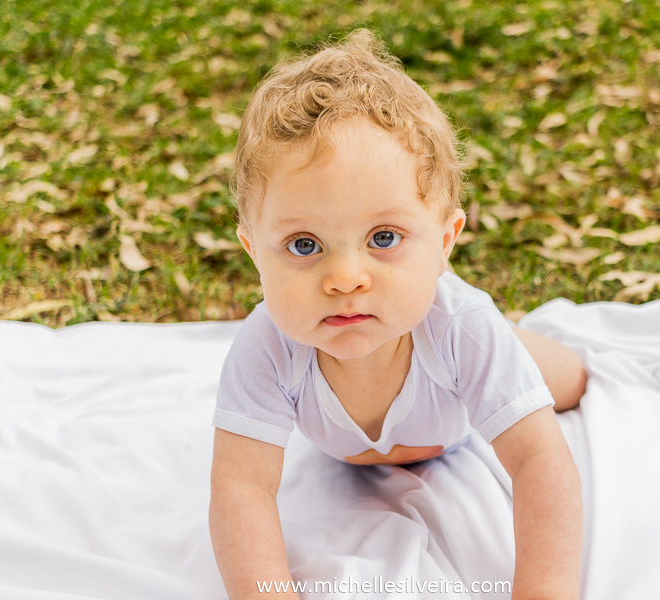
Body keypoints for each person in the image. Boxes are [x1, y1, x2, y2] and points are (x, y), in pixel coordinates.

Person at [209, 29, 587, 600]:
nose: (345, 278)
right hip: (362, 446)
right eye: (304, 245)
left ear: (445, 241)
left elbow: (539, 461)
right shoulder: (266, 347)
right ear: (253, 251)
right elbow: (241, 489)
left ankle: (526, 347)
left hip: (453, 391)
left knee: (568, 379)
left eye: (383, 238)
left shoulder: (462, 330)